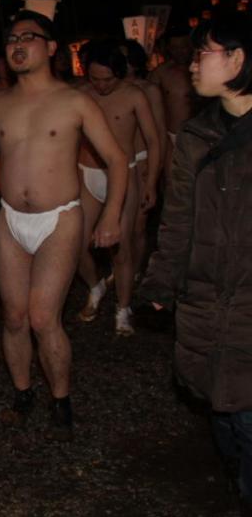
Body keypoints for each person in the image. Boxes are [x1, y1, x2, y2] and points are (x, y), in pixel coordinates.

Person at [0, 11, 127, 441]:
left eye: (29, 37)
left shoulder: (74, 101)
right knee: (13, 317)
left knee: (44, 317)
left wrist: (111, 214)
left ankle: (61, 399)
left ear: (51, 47)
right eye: (11, 39)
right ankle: (23, 391)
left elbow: (117, 159)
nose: (18, 44)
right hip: (11, 218)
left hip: (59, 217)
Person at [139, 13, 252, 517]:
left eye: (203, 53)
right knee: (223, 417)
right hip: (206, 297)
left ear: (237, 59)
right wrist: (161, 281)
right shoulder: (195, 136)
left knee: (245, 419)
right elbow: (178, 217)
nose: (190, 64)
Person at [74, 40, 161, 335]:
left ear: (120, 73)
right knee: (75, 243)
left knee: (122, 249)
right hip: (87, 173)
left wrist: (151, 182)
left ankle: (123, 308)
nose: (101, 85)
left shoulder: (134, 95)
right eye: (95, 79)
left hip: (124, 175)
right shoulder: (81, 95)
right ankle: (95, 286)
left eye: (107, 79)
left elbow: (153, 140)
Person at [121, 39, 168, 275]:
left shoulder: (149, 90)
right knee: (120, 225)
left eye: (126, 58)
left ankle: (136, 271)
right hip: (116, 164)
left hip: (141, 160)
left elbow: (158, 133)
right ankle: (122, 268)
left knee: (138, 226)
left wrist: (155, 169)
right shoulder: (108, 88)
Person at [150, 29, 195, 167]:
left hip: (199, 135)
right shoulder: (160, 73)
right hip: (171, 135)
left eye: (183, 46)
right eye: (175, 47)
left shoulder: (203, 71)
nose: (180, 51)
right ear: (169, 48)